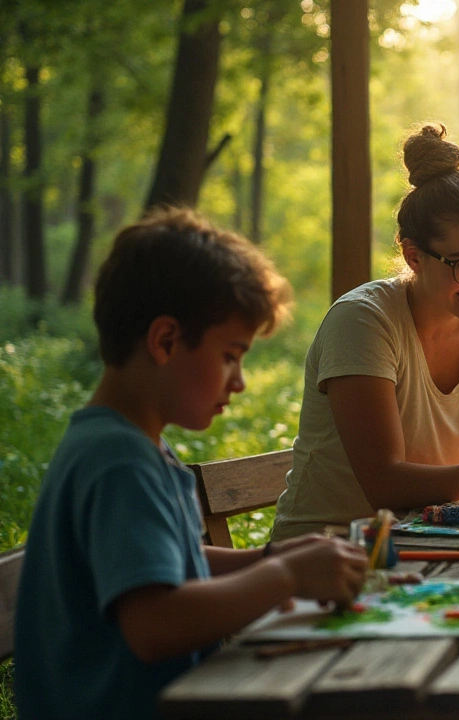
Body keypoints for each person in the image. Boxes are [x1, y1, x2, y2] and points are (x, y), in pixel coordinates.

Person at [13, 209, 368, 720]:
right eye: (231, 355)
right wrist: (286, 576)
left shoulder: (128, 443)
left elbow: (174, 566)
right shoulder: (119, 463)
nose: (240, 380)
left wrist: (272, 557)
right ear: (164, 341)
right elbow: (155, 623)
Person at [272, 123, 459, 539]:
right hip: (328, 555)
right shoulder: (364, 321)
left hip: (430, 546)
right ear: (414, 256)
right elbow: (385, 486)